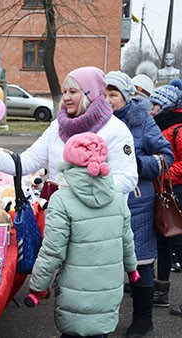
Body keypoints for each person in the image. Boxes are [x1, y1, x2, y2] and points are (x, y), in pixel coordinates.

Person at [28, 132, 139, 338]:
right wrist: (132, 269)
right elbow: (127, 238)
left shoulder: (61, 199)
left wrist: (37, 287)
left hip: (75, 290)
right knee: (100, 330)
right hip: (109, 287)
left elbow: (53, 250)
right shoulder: (116, 195)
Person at [0, 66, 138, 197]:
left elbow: (128, 179)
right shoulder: (58, 126)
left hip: (97, 224)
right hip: (60, 219)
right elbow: (29, 161)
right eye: (64, 92)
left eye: (73, 92)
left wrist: (83, 188)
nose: (65, 97)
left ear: (91, 94)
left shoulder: (115, 129)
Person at [104, 70, 174, 337]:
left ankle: (144, 318)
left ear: (126, 97)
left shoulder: (141, 120)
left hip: (137, 202)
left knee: (140, 262)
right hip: (102, 199)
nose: (108, 100)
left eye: (114, 95)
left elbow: (165, 156)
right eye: (104, 94)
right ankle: (103, 314)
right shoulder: (94, 120)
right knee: (102, 260)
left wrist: (135, 165)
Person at [151, 79, 182, 316]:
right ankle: (160, 291)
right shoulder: (159, 125)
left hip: (176, 192)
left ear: (166, 106)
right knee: (162, 240)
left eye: (154, 105)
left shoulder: (179, 128)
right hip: (162, 191)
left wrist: (162, 174)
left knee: (178, 245)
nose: (150, 108)